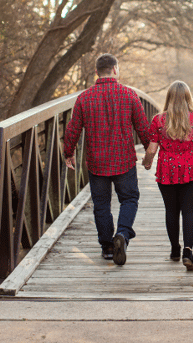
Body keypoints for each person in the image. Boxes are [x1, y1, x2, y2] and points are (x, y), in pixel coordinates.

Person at [64, 53, 150, 266]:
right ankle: (122, 233)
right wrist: (150, 151)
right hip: (124, 160)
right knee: (129, 199)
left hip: (97, 161)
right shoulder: (129, 95)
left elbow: (73, 129)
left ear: (96, 72)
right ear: (115, 69)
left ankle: (108, 248)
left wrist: (69, 152)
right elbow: (143, 128)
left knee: (101, 205)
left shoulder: (84, 97)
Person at [142, 81, 193, 271]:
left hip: (167, 171)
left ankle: (174, 249)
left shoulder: (158, 120)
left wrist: (147, 162)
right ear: (188, 98)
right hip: (192, 171)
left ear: (169, 98)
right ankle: (188, 250)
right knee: (190, 211)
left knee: (171, 211)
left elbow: (152, 148)